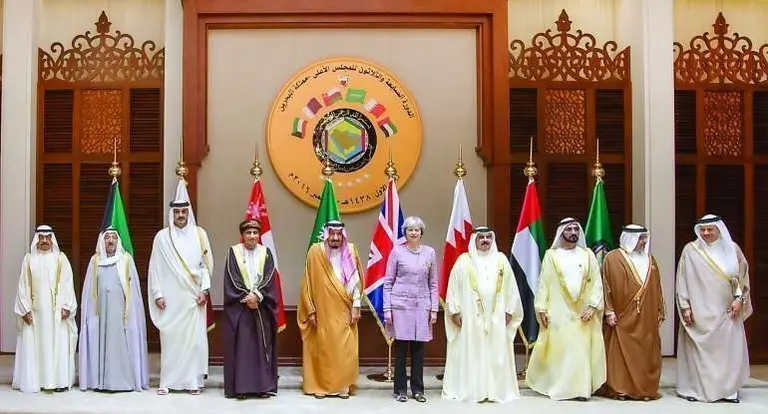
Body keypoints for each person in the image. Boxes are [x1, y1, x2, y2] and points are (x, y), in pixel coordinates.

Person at [525, 217, 606, 401]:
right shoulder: (551, 256)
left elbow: (596, 283)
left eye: (576, 229)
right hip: (558, 311)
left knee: (580, 351)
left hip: (583, 313)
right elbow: (543, 284)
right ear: (561, 233)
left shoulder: (588, 255)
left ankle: (581, 390)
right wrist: (541, 308)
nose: (573, 233)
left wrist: (593, 306)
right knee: (560, 350)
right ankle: (560, 387)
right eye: (569, 230)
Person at [442, 226, 524, 403]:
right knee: (473, 352)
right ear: (474, 240)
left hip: (497, 317)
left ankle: (495, 391)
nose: (485, 240)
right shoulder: (463, 261)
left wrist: (510, 310)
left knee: (496, 352)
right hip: (470, 317)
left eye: (488, 237)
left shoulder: (501, 260)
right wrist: (454, 311)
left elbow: (512, 288)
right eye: (482, 237)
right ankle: (474, 390)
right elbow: (453, 288)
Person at [676, 214, 751, 403]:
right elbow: (682, 280)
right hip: (699, 311)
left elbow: (741, 278)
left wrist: (739, 300)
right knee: (698, 354)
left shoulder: (732, 250)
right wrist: (685, 307)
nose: (706, 233)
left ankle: (729, 391)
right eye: (703, 229)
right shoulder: (691, 251)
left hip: (727, 311)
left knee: (727, 353)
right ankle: (695, 390)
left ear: (719, 230)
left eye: (710, 229)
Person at [148, 200, 214, 395]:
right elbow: (155, 268)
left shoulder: (199, 235)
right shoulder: (161, 237)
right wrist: (157, 294)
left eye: (184, 211)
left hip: (193, 297)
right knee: (170, 341)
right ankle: (167, 382)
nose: (180, 215)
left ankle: (192, 382)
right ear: (172, 213)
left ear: (188, 212)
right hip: (170, 299)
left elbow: (206, 266)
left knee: (193, 342)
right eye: (177, 211)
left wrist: (205, 291)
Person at [297, 220, 364, 399]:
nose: (335, 237)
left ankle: (343, 386)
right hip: (322, 309)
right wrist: (310, 309)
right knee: (323, 347)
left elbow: (355, 281)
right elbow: (307, 283)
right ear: (326, 234)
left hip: (345, 307)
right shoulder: (315, 252)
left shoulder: (351, 250)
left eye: (338, 234)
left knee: (344, 348)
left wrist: (357, 305)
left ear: (343, 234)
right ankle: (321, 386)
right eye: (331, 233)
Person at [598, 224, 664, 400]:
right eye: (639, 238)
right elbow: (606, 286)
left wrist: (659, 310)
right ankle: (620, 388)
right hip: (621, 317)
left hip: (647, 317)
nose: (643, 242)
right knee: (619, 353)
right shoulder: (613, 258)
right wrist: (609, 311)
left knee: (645, 353)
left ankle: (644, 389)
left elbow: (657, 288)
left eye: (644, 238)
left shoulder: (650, 260)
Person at [79, 228, 149, 392]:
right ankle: (99, 382)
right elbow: (89, 290)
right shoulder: (95, 261)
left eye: (113, 238)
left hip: (120, 313)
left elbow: (134, 290)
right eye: (107, 238)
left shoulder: (126, 260)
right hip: (100, 313)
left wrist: (131, 311)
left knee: (119, 344)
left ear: (118, 242)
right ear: (102, 241)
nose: (110, 241)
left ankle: (122, 381)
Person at [12, 225, 78, 393]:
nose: (44, 241)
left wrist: (67, 307)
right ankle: (37, 381)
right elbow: (22, 286)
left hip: (56, 314)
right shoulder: (28, 259)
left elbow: (68, 283)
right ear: (37, 239)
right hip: (35, 313)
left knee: (58, 345)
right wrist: (25, 310)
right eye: (41, 237)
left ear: (52, 239)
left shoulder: (60, 259)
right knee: (36, 346)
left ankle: (58, 382)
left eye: (47, 237)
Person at [383, 216, 439, 403]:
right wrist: (387, 309)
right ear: (405, 232)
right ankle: (400, 390)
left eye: (417, 229)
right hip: (400, 306)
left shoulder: (430, 253)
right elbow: (388, 282)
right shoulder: (397, 252)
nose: (413, 232)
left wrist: (434, 309)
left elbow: (433, 283)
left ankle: (418, 389)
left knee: (418, 350)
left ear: (421, 232)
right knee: (401, 350)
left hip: (422, 306)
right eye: (410, 229)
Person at [222, 219, 279, 399]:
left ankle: (263, 387)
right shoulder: (234, 252)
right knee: (243, 349)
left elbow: (270, 276)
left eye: (255, 233)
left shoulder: (266, 252)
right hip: (241, 308)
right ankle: (242, 388)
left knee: (262, 348)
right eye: (248, 233)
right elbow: (232, 277)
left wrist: (258, 296)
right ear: (243, 235)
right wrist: (247, 297)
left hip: (261, 307)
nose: (252, 236)